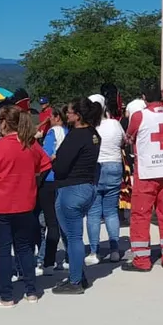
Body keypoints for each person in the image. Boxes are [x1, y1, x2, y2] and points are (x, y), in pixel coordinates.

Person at [0, 106, 50, 307]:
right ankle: (31, 291)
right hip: (25, 204)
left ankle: (6, 295)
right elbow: (46, 165)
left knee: (3, 251)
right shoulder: (31, 145)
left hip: (0, 205)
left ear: (4, 122)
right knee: (24, 248)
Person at [123, 85, 163, 272]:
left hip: (147, 172)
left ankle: (141, 260)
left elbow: (129, 137)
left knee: (140, 215)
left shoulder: (139, 116)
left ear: (144, 97)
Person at [50, 100, 101, 295]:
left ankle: (75, 281)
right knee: (74, 236)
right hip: (88, 186)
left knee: (73, 237)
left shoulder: (76, 136)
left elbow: (61, 166)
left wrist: (55, 160)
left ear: (78, 115)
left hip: (71, 188)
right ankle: (78, 274)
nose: (67, 115)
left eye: (70, 112)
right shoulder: (94, 135)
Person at [86, 94, 125, 265]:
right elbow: (124, 141)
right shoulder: (115, 124)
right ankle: (115, 249)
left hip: (96, 168)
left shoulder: (88, 127)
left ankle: (94, 251)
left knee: (94, 213)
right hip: (115, 167)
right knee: (111, 211)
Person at [36, 106, 68, 274]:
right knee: (65, 221)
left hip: (49, 180)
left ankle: (47, 261)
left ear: (56, 117)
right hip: (64, 180)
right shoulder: (68, 132)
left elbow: (46, 156)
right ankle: (69, 257)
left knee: (50, 222)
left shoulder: (52, 133)